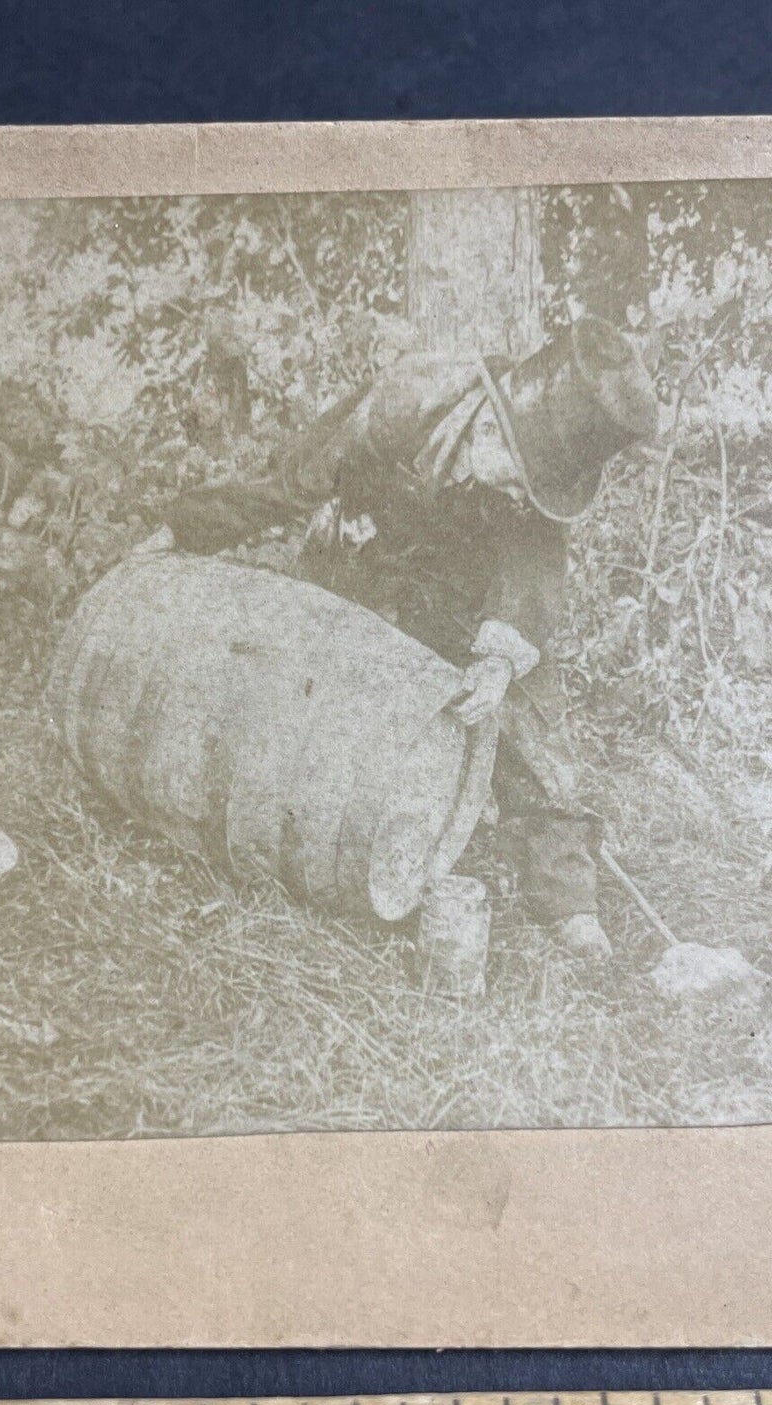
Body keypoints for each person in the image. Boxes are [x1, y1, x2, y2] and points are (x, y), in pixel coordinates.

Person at [144, 316, 658, 960]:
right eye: (512, 480)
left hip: (479, 593)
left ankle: (566, 900)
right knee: (335, 714)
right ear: (491, 427)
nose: (515, 496)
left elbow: (531, 567)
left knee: (531, 717)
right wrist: (181, 528)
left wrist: (500, 660)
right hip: (382, 569)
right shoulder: (399, 404)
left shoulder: (542, 465)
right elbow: (286, 484)